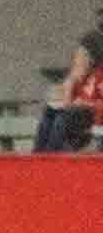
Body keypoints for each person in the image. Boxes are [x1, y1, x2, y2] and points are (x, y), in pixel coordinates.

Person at [34, 10, 103, 152]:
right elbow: (76, 75)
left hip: (95, 108)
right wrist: (68, 96)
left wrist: (87, 102)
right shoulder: (90, 66)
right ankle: (37, 157)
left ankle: (51, 160)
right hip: (87, 103)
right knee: (50, 113)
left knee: (64, 119)